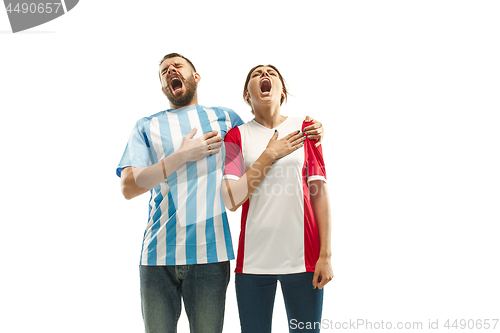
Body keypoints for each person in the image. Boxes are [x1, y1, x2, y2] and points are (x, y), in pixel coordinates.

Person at [116, 54, 324, 333]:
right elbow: (129, 187)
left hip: (211, 256)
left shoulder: (227, 119)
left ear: (196, 77)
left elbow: (261, 131)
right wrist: (182, 156)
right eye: (164, 71)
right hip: (157, 257)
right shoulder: (146, 125)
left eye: (178, 66)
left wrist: (312, 131)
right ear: (163, 87)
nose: (170, 71)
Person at [221, 64, 333, 333]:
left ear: (282, 91)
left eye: (271, 73)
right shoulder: (236, 137)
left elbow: (319, 193)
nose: (264, 75)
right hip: (252, 264)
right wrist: (270, 155)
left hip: (304, 260)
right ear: (247, 95)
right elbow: (231, 200)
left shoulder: (305, 129)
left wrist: (325, 255)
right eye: (256, 74)